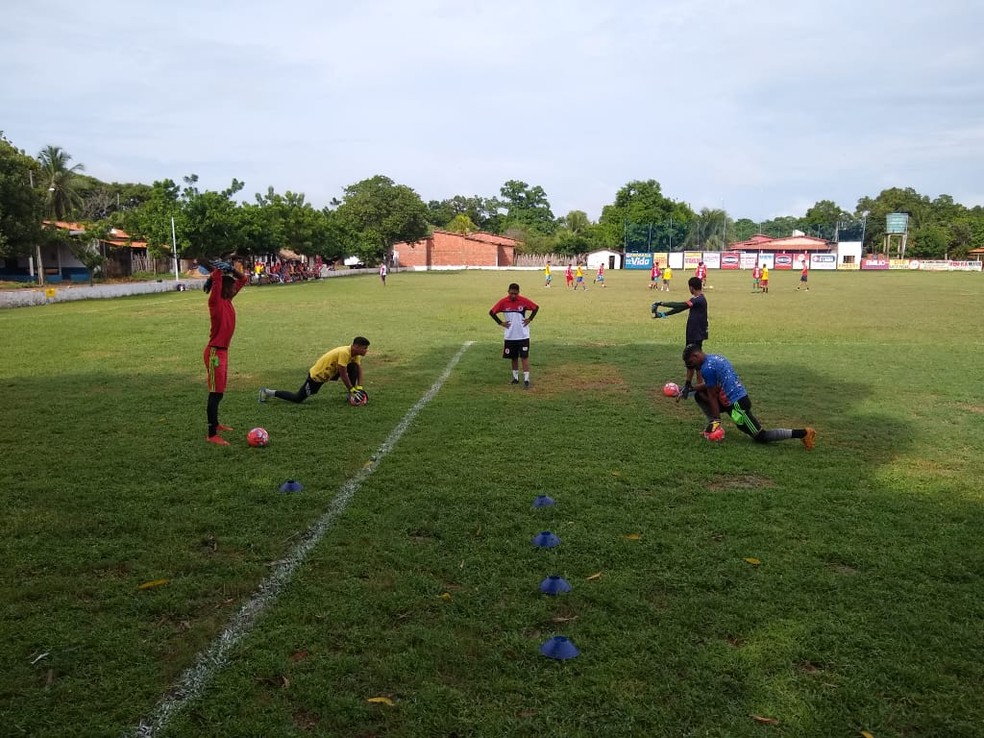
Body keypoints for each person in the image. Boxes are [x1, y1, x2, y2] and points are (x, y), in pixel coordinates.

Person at [679, 344, 815, 449]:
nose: (691, 366)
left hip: (736, 405)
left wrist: (716, 421)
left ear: (696, 356)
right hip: (735, 400)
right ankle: (714, 426)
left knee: (761, 436)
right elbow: (711, 385)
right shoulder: (715, 358)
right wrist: (691, 388)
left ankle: (804, 433)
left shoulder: (706, 369)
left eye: (691, 363)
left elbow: (712, 395)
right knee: (699, 395)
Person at [200, 257, 249, 446]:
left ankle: (217, 424)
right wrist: (216, 271)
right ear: (222, 288)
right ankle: (211, 433)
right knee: (215, 393)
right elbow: (218, 278)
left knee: (220, 392)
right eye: (231, 287)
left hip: (223, 352)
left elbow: (243, 279)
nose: (234, 289)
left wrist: (232, 269)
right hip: (214, 353)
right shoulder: (216, 302)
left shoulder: (227, 299)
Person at [259, 337, 371, 405]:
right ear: (356, 346)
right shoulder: (344, 352)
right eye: (364, 348)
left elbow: (358, 369)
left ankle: (350, 397)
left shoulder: (355, 354)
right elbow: (343, 373)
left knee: (354, 367)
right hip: (317, 376)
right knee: (298, 398)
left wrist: (359, 387)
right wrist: (352, 388)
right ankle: (267, 392)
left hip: (330, 373)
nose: (366, 351)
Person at [653, 276, 708, 387]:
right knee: (690, 360)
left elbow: (680, 304)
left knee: (696, 361)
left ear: (691, 288)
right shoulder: (696, 300)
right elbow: (680, 308)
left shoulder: (699, 300)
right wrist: (663, 314)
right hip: (692, 333)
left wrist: (662, 303)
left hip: (696, 334)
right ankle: (688, 385)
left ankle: (699, 386)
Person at [489, 282, 539, 389]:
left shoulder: (523, 301)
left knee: (524, 357)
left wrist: (530, 319)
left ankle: (526, 379)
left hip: (523, 335)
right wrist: (500, 322)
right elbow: (492, 312)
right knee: (513, 357)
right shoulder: (503, 302)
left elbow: (536, 307)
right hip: (510, 336)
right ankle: (515, 378)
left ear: (518, 293)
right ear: (508, 292)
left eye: (515, 294)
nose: (513, 296)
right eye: (511, 293)